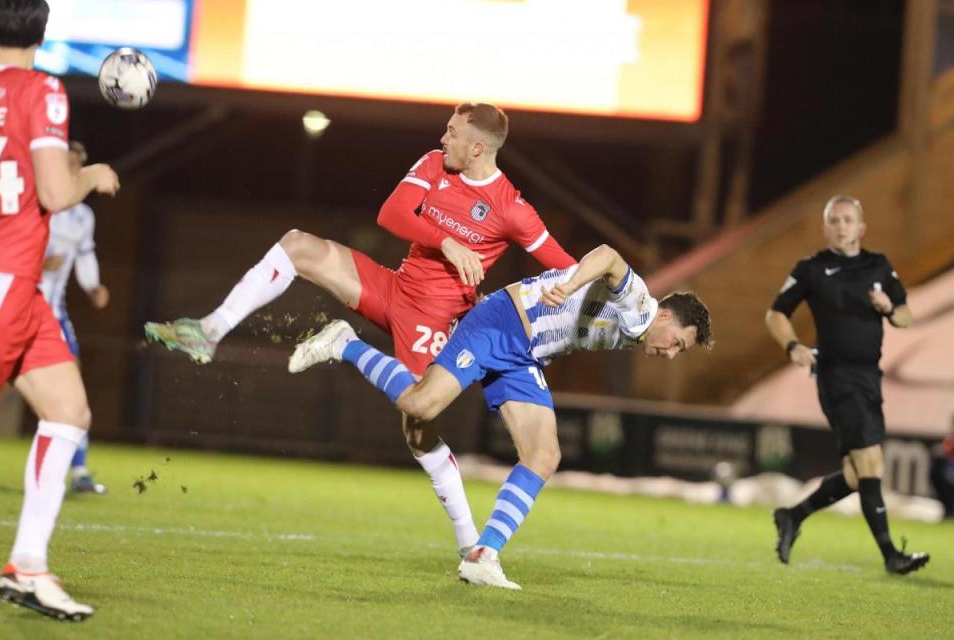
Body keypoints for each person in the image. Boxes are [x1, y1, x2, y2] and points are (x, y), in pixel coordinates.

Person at [144, 102, 576, 557]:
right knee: (298, 246)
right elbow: (391, 215)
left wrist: (569, 291)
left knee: (418, 426)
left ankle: (469, 541)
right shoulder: (434, 164)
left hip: (434, 321)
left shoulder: (511, 208)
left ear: (476, 147)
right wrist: (447, 240)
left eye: (451, 133)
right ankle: (210, 330)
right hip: (393, 287)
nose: (442, 138)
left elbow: (567, 266)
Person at [287, 244, 713, 589]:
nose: (672, 353)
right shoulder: (640, 306)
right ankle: (344, 343)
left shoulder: (638, 332)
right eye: (677, 342)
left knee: (543, 456)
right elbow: (607, 255)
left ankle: (482, 555)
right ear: (665, 316)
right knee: (420, 406)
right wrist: (569, 286)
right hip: (503, 324)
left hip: (524, 356)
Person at [0, 0, 120, 621]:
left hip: (22, 290)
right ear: (41, 33)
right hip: (5, 279)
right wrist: (90, 174)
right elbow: (52, 190)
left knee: (67, 411)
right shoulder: (40, 88)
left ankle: (27, 565)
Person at [766, 195, 929, 575]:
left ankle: (792, 515)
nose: (841, 226)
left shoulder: (879, 266)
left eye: (847, 220)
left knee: (858, 475)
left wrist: (889, 307)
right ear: (826, 229)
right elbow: (775, 314)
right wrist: (792, 346)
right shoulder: (812, 269)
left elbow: (906, 316)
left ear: (861, 228)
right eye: (834, 220)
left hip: (870, 377)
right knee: (871, 463)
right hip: (836, 377)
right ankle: (891, 555)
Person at [39, 140, 109, 494]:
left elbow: (84, 256)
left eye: (78, 164)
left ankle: (78, 471)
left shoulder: (83, 214)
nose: (73, 169)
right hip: (10, 308)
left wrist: (93, 286)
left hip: (52, 315)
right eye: (67, 162)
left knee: (74, 389)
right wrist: (38, 262)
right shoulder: (35, 198)